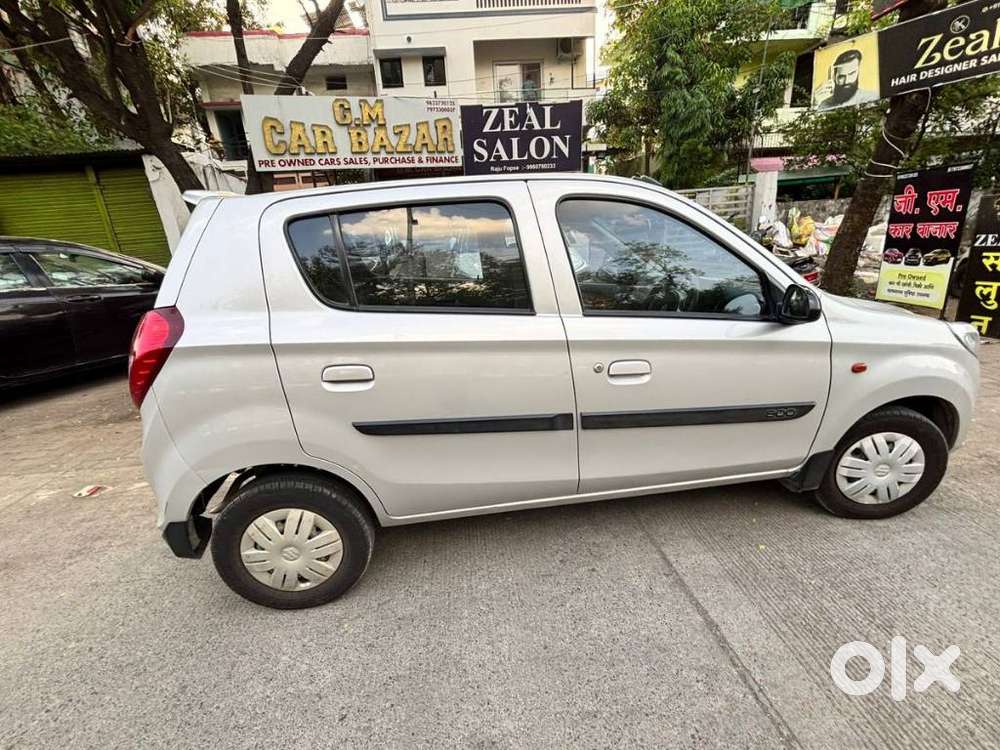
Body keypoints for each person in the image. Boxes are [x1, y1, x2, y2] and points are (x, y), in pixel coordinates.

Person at [814, 49, 878, 110]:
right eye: (841, 76)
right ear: (834, 77)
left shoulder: (871, 98)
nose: (847, 81)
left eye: (851, 74)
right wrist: (815, 104)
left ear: (858, 72)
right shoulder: (823, 104)